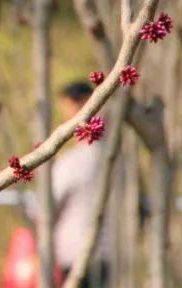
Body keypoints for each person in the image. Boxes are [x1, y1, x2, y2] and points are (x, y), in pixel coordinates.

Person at [52, 81, 111, 287]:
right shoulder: (119, 159)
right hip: (110, 252)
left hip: (75, 253)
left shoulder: (72, 162)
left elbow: (48, 206)